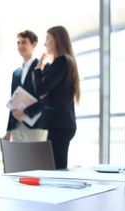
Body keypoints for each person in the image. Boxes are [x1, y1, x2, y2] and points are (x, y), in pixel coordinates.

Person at [34, 25, 80, 169]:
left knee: (57, 168)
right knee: (55, 167)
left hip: (61, 125)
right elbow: (44, 91)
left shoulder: (62, 61)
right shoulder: (60, 63)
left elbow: (41, 89)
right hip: (60, 124)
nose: (45, 43)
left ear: (57, 40)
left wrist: (38, 68)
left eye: (48, 38)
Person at [3, 30, 46, 142]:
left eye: (24, 42)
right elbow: (13, 102)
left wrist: (26, 112)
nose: (20, 45)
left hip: (36, 125)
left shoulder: (42, 68)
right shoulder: (16, 73)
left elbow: (46, 99)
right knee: (19, 159)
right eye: (18, 43)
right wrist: (8, 131)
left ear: (34, 44)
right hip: (17, 127)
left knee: (36, 159)